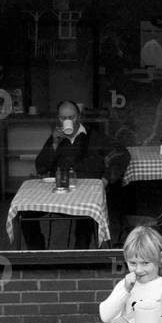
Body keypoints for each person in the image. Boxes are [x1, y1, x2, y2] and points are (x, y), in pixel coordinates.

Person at [27, 100, 128, 248]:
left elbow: (122, 154)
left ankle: (79, 259)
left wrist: (106, 179)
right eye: (63, 118)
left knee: (86, 216)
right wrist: (54, 144)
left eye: (71, 117)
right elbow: (41, 167)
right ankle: (39, 256)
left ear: (79, 117)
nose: (68, 121)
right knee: (26, 213)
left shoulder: (94, 137)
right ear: (58, 118)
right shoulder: (56, 139)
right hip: (60, 193)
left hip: (85, 194)